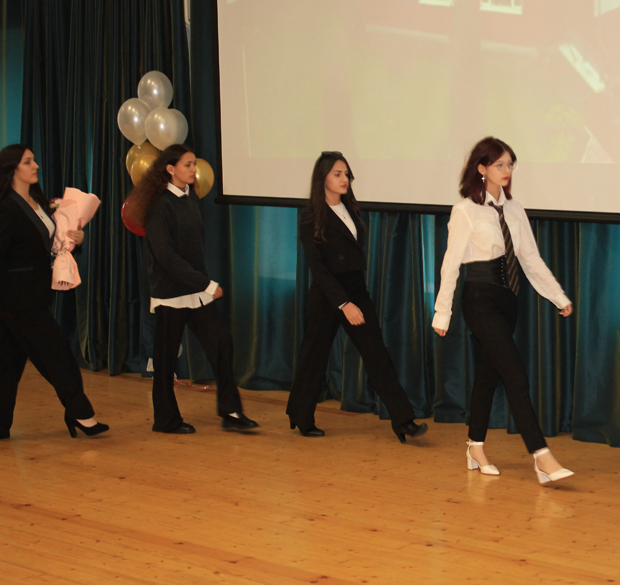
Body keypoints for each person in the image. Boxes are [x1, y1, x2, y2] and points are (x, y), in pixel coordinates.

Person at [433, 137, 574, 484]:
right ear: (481, 168)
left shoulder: (514, 208)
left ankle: (475, 447)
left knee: (488, 374)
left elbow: (529, 258)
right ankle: (541, 456)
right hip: (479, 299)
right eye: (499, 164)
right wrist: (442, 312)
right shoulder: (465, 210)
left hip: (509, 299)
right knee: (515, 374)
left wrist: (557, 296)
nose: (507, 170)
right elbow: (451, 264)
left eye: (510, 164)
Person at [0, 145, 107, 440]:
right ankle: (80, 412)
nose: (36, 166)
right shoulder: (7, 207)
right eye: (28, 162)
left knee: (2, 359)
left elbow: (49, 245)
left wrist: (75, 240)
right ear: (13, 169)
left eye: (34, 160)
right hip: (18, 298)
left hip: (36, 293)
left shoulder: (39, 202)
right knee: (56, 353)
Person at [287, 152, 428, 442]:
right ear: (323, 177)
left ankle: (403, 421)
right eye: (337, 173)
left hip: (356, 290)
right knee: (314, 358)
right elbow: (318, 268)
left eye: (347, 174)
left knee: (377, 354)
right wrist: (343, 304)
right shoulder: (311, 217)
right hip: (328, 296)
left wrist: (353, 299)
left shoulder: (350, 209)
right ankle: (300, 415)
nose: (345, 179)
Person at [124, 144, 257, 434]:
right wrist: (206, 283)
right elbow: (166, 257)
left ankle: (231, 411)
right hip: (171, 293)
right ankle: (165, 420)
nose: (194, 169)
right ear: (170, 169)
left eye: (194, 163)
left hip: (195, 290)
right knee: (165, 359)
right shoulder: (159, 205)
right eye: (188, 164)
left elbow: (193, 250)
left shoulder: (190, 198)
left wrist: (201, 283)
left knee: (221, 343)